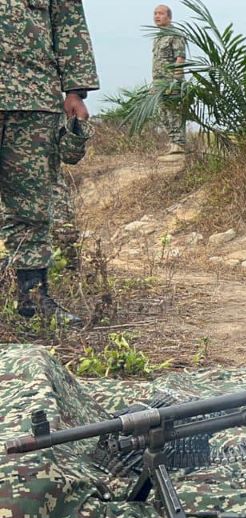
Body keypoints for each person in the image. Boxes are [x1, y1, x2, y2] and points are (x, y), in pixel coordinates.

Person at [1, 0, 99, 328]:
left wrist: (75, 90)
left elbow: (69, 19)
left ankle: (32, 299)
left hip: (33, 98)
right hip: (31, 99)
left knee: (31, 204)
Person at [152, 4, 187, 160]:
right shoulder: (157, 36)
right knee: (162, 113)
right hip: (159, 82)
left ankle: (178, 146)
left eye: (160, 13)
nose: (157, 16)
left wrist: (176, 81)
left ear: (169, 17)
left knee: (174, 112)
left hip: (171, 81)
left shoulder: (175, 34)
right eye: (155, 14)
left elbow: (180, 58)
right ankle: (173, 144)